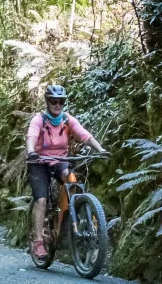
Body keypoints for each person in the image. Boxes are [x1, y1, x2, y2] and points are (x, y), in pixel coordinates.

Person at [25, 85, 106, 258]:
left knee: (72, 179)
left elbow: (84, 135)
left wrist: (101, 150)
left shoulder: (67, 119)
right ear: (47, 102)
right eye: (54, 101)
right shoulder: (39, 119)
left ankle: (69, 217)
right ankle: (38, 242)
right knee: (41, 200)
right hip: (38, 162)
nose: (57, 105)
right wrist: (31, 151)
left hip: (59, 160)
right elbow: (31, 135)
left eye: (61, 101)